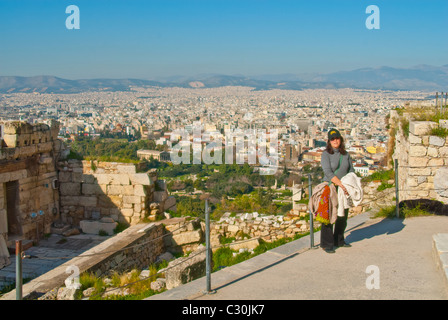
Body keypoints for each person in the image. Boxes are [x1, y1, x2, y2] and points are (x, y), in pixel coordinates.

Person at [319, 128, 355, 253]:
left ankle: (339, 240)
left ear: (341, 139)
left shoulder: (346, 155)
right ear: (329, 141)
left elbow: (351, 170)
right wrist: (340, 183)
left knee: (342, 215)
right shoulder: (326, 154)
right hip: (330, 187)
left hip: (343, 188)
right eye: (332, 139)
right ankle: (326, 243)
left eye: (337, 138)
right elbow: (327, 172)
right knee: (329, 214)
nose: (335, 141)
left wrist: (349, 184)